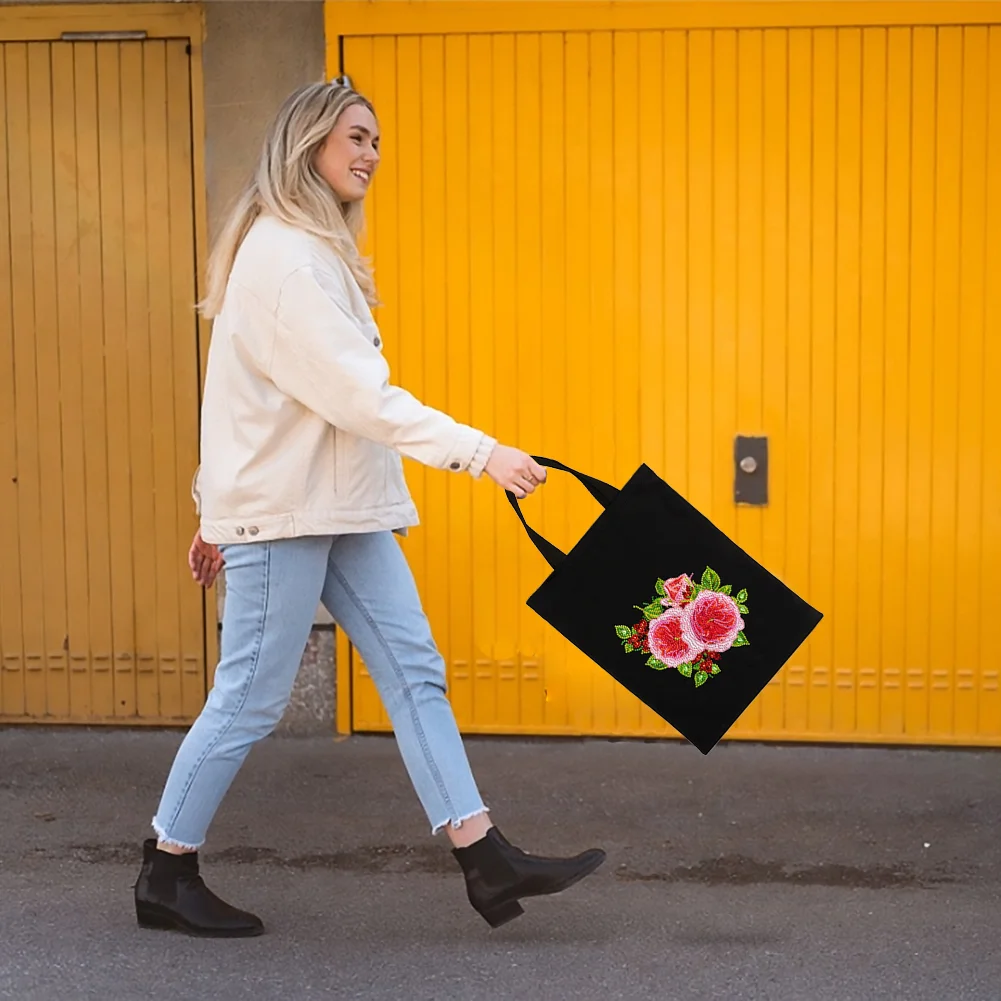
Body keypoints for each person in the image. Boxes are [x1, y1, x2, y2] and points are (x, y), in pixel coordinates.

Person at [133, 81, 605, 937]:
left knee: (413, 668)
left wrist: (208, 507)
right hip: (284, 514)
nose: (371, 154)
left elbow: (241, 399)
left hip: (339, 504)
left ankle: (483, 855)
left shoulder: (311, 252)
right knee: (247, 697)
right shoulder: (286, 259)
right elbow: (360, 396)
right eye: (356, 136)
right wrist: (479, 452)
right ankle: (166, 869)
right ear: (307, 141)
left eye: (377, 141)